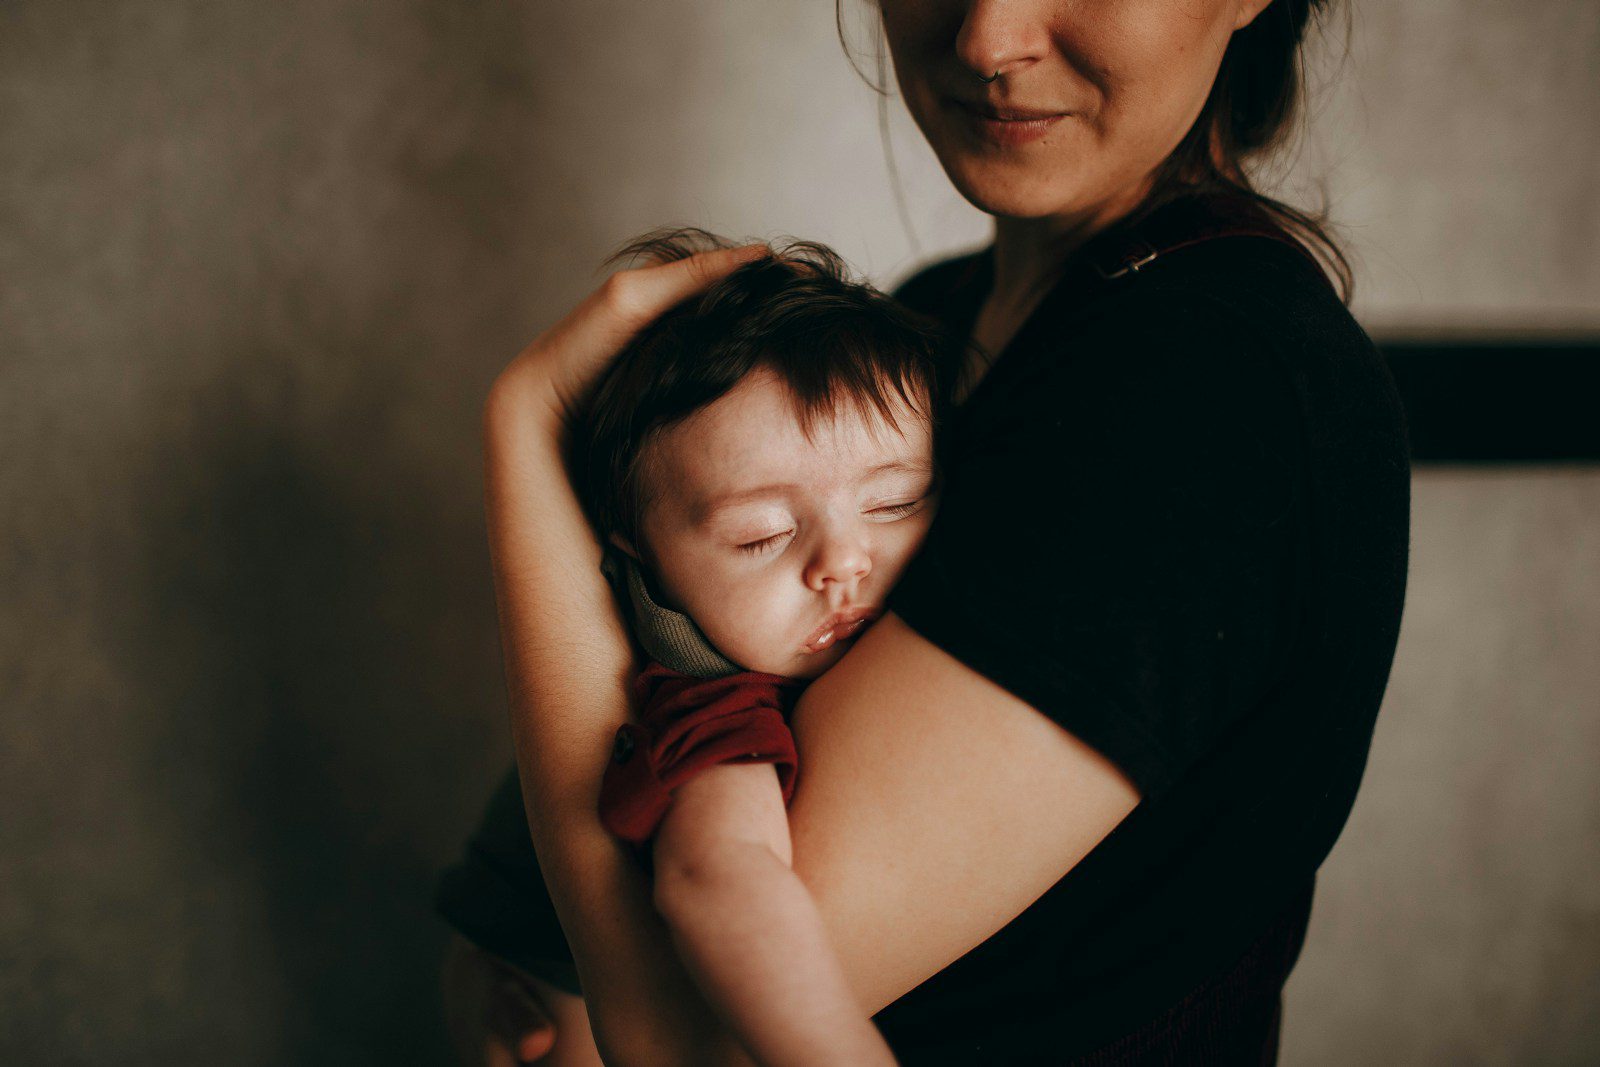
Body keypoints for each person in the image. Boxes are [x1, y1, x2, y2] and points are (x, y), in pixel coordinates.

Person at [442, 0, 1411, 1063]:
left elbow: (681, 1034)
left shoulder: (1208, 386)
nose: (987, 41)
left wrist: (529, 432)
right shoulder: (935, 325)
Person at [470, 227, 958, 1065]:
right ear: (642, 564)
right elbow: (718, 882)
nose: (845, 561)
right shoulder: (708, 701)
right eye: (761, 535)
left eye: (894, 503)